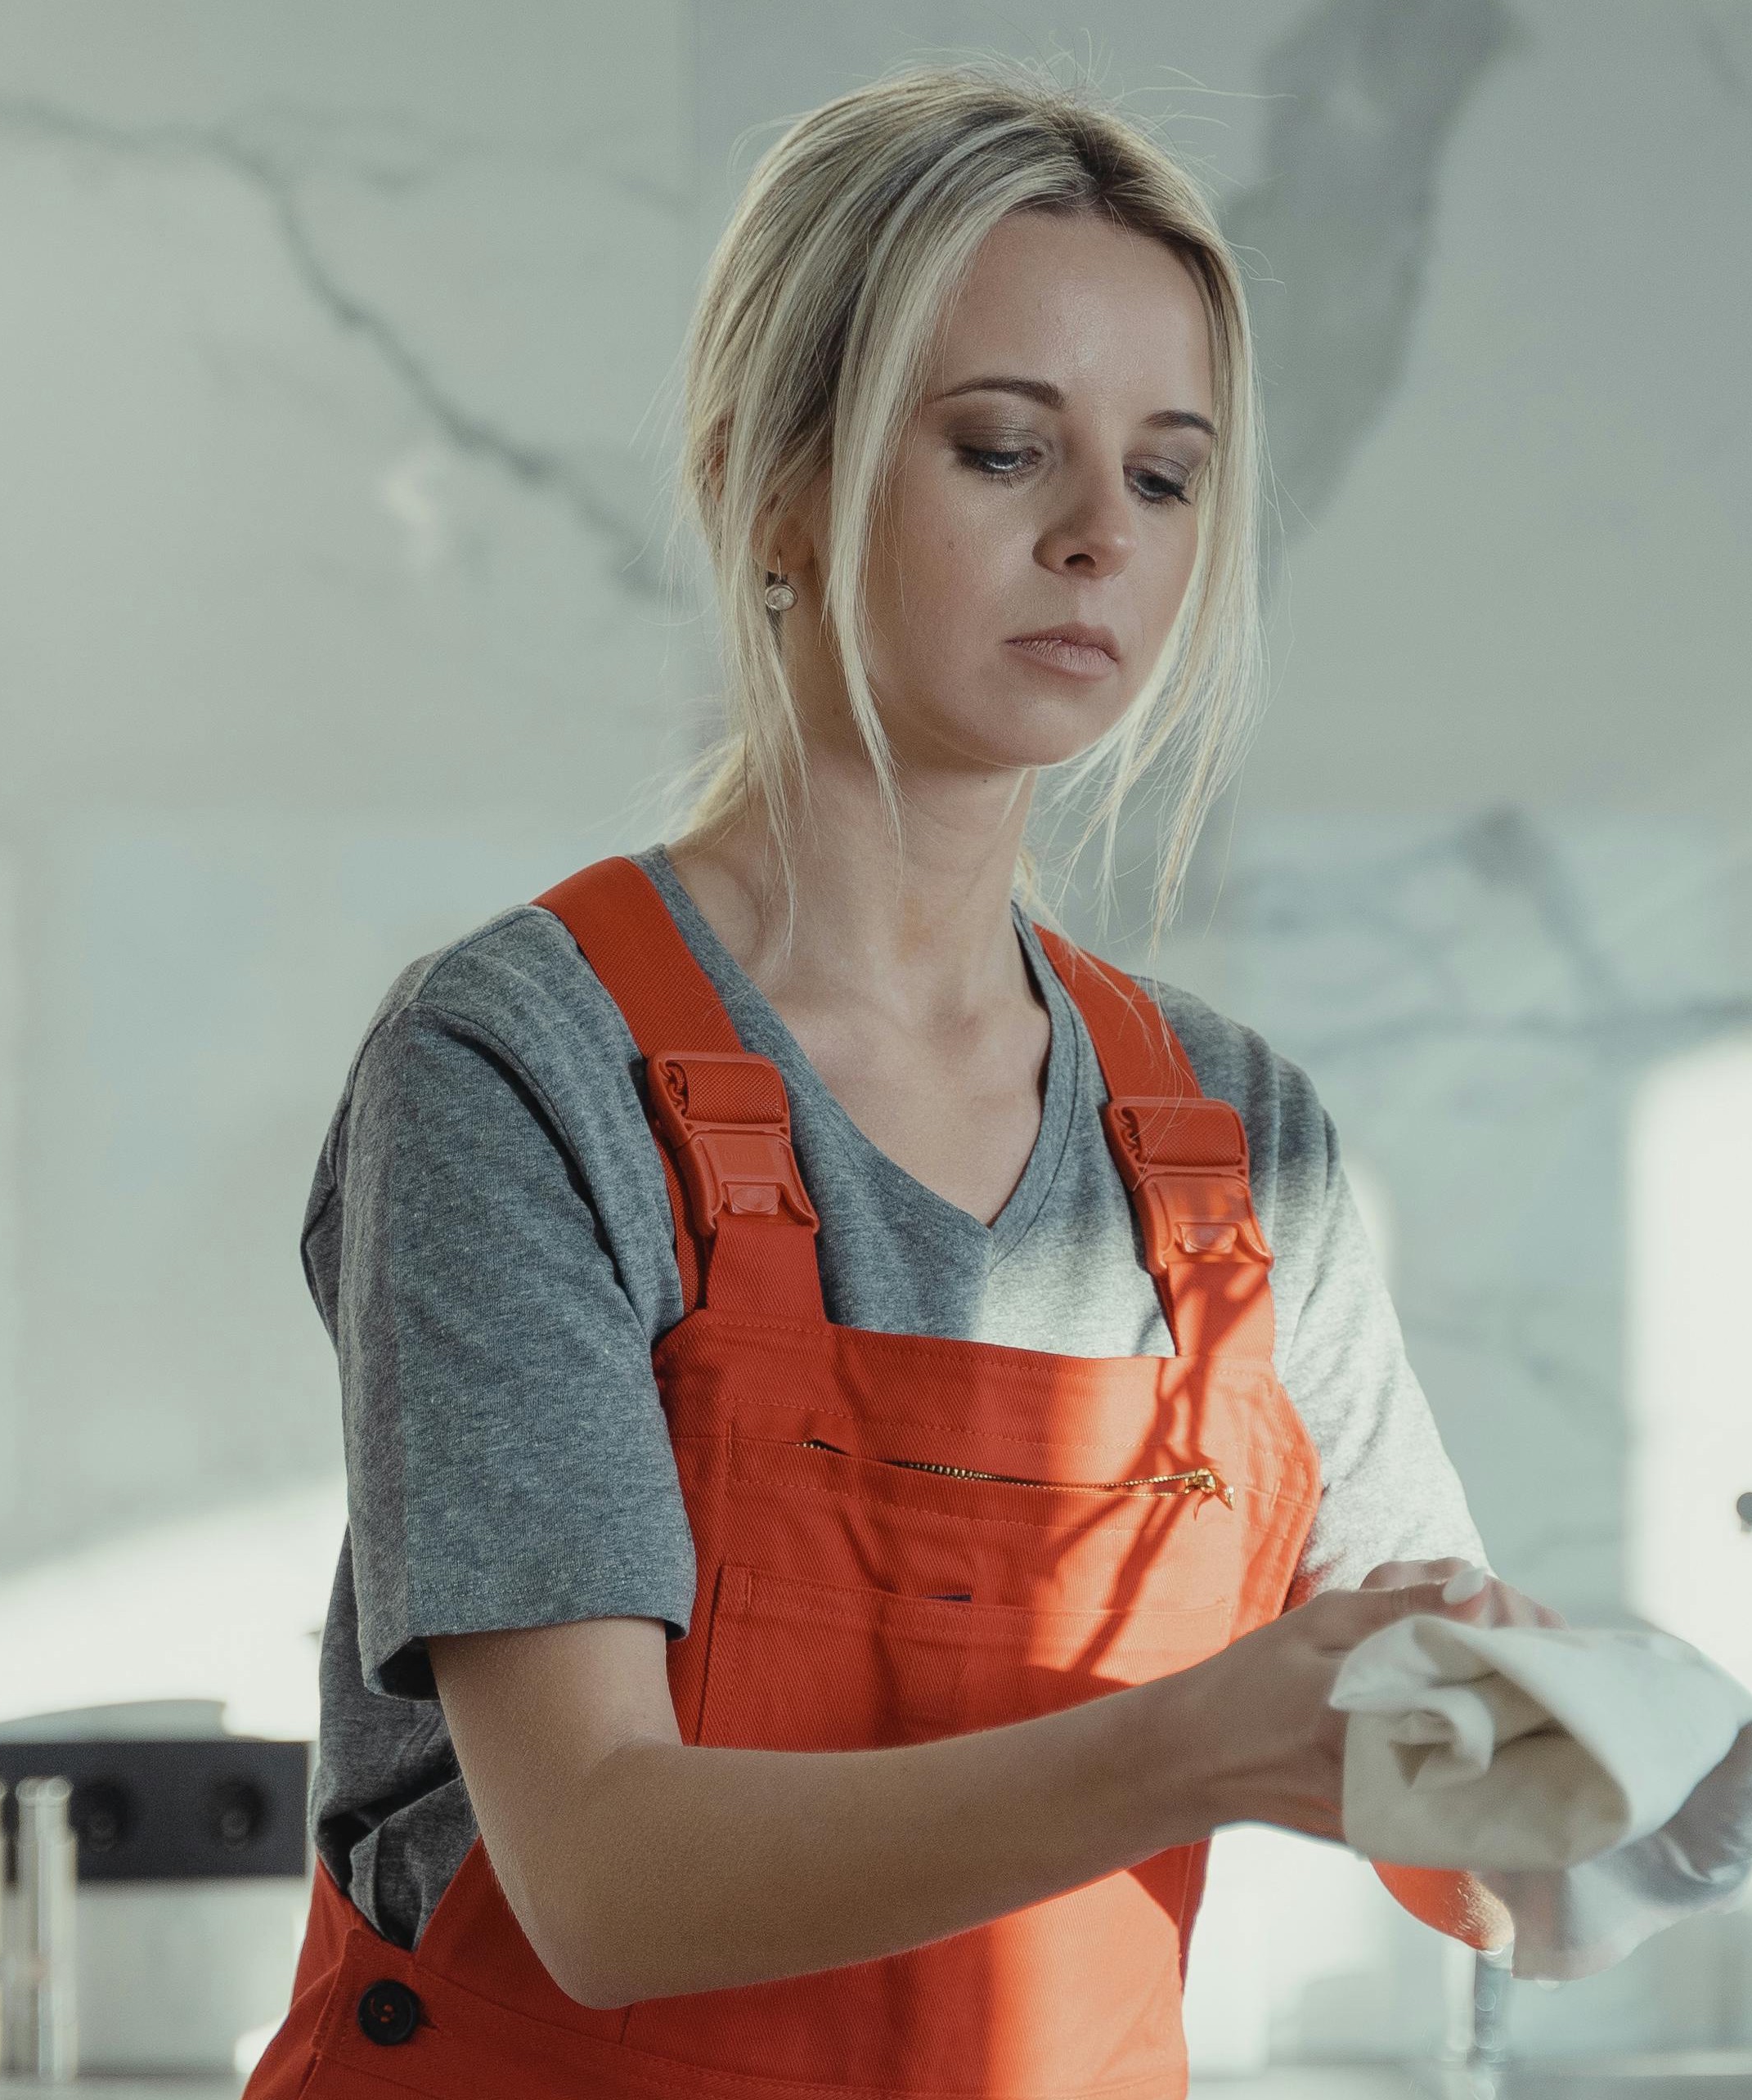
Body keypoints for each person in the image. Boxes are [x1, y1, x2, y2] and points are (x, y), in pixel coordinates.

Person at [245, 58, 1554, 2100]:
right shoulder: (519, 1066)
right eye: (1004, 446)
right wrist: (1205, 1739)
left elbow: (1460, 1840)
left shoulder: (1232, 1146)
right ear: (779, 482)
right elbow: (599, 1872)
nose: (1096, 538)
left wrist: (1578, 1772)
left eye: (1167, 474)